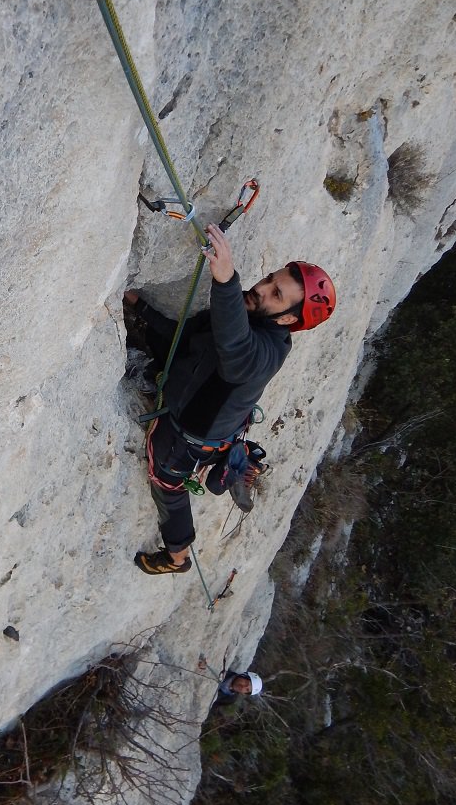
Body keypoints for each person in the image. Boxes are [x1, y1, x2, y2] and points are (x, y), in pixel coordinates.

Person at [125, 223, 336, 576]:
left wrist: (226, 280)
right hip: (189, 390)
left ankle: (177, 557)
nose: (262, 288)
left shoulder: (268, 352)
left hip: (184, 440)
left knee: (167, 484)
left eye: (276, 295)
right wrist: (139, 307)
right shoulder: (244, 314)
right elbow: (186, 340)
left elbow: (237, 349)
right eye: (270, 279)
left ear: (286, 319)